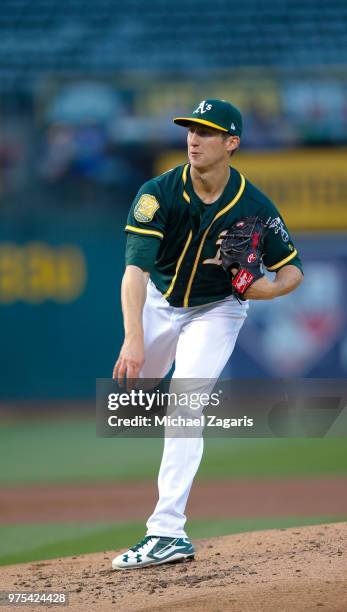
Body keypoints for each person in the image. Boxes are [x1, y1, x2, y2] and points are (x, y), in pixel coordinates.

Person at [111, 99, 303, 570]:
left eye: (208, 131)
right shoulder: (158, 192)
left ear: (231, 143)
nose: (194, 138)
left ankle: (167, 532)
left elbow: (292, 269)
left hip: (216, 311)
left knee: (185, 402)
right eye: (191, 129)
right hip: (158, 303)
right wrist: (134, 338)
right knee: (131, 397)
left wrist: (267, 291)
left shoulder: (254, 205)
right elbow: (134, 270)